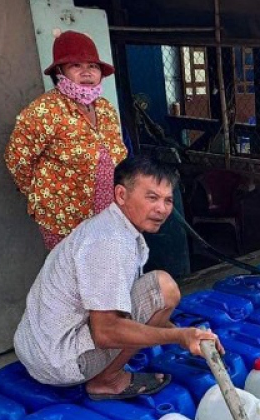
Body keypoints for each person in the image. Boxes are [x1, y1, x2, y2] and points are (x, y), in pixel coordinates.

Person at [14, 152, 219, 401]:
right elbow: (106, 332)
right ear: (121, 195)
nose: (162, 209)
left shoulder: (113, 227)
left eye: (167, 200)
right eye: (152, 197)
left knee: (157, 292)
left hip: (38, 348)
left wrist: (187, 335)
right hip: (59, 360)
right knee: (163, 290)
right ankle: (106, 380)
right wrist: (179, 336)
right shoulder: (109, 243)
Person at [5, 31, 128, 249]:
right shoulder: (45, 110)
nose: (86, 72)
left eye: (93, 66)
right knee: (72, 274)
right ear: (59, 72)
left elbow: (117, 153)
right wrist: (44, 193)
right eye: (76, 66)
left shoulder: (105, 108)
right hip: (63, 217)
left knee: (106, 268)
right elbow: (17, 160)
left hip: (106, 210)